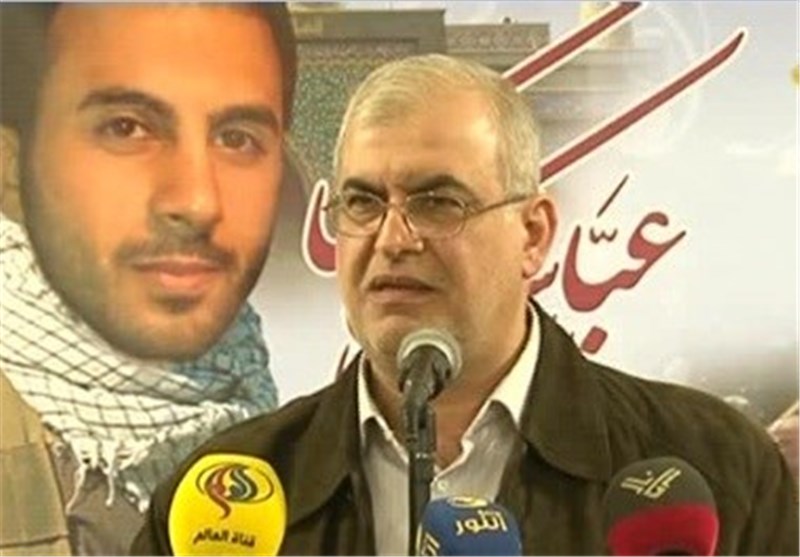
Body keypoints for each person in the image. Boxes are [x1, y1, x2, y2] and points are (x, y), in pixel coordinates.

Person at [133, 54, 798, 555]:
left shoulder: (716, 469)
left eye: (437, 202)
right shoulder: (222, 501)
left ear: (532, 235)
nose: (392, 239)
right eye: (362, 202)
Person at [0, 4, 296, 554]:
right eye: (127, 128)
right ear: (12, 168)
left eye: (236, 138)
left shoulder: (307, 450)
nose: (198, 202)